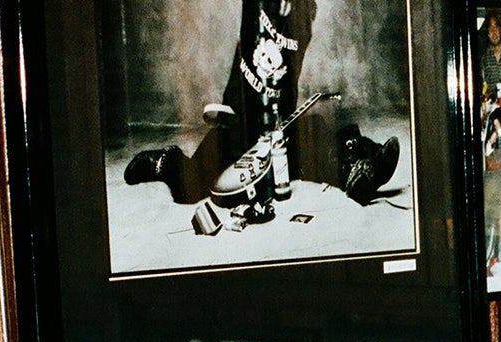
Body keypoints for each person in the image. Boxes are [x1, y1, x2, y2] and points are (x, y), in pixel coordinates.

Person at [119, 0, 400, 211]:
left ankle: (360, 163)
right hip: (238, 123)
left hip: (276, 123)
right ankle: (165, 162)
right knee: (191, 189)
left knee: (305, 144)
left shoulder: (301, 14)